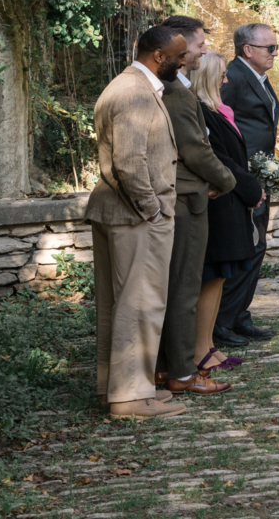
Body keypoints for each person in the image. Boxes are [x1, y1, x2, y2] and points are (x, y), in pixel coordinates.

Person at [86, 26, 189, 418]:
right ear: (159, 57)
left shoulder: (130, 86)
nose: (183, 63)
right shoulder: (133, 91)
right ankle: (129, 397)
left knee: (121, 304)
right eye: (178, 57)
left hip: (122, 211)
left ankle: (121, 388)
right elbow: (129, 163)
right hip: (135, 215)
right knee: (140, 304)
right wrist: (154, 209)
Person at [154, 17, 236, 396]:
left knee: (182, 287)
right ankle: (181, 372)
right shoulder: (173, 91)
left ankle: (173, 368)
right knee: (183, 289)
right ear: (180, 47)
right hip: (185, 198)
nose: (204, 50)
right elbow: (194, 148)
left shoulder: (177, 87)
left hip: (192, 192)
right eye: (200, 44)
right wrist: (225, 181)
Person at [190, 51, 265, 372]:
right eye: (220, 75)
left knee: (218, 278)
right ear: (206, 78)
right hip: (217, 204)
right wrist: (251, 189)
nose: (226, 79)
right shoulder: (203, 114)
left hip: (228, 201)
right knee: (211, 277)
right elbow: (221, 160)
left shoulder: (215, 112)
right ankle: (200, 350)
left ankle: (207, 347)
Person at [216, 22, 279, 346]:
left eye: (275, 47)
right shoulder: (234, 77)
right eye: (270, 48)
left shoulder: (258, 77)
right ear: (248, 50)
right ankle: (222, 323)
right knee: (246, 248)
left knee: (256, 248)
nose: (274, 53)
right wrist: (241, 176)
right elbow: (217, 124)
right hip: (242, 180)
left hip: (259, 177)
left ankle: (240, 316)